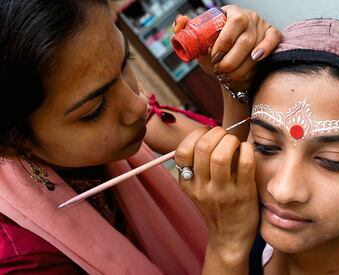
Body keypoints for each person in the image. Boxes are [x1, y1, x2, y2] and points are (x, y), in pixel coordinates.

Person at [0, 0, 281, 274]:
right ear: (13, 144)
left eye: (126, 62)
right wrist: (228, 244)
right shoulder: (19, 257)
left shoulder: (127, 115)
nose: (139, 105)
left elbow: (228, 150)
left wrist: (234, 77)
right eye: (94, 110)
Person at [174, 18, 339, 274]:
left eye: (334, 160)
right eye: (266, 146)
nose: (283, 191)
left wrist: (227, 248)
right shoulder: (244, 223)